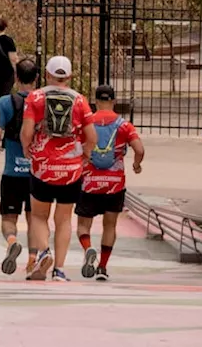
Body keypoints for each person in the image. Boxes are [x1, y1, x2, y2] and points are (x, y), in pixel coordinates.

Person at [20, 55, 96, 282]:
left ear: (46, 75)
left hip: (42, 166)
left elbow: (26, 132)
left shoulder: (35, 97)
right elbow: (92, 136)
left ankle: (44, 252)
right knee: (63, 219)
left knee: (39, 216)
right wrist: (85, 155)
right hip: (71, 168)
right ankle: (60, 270)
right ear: (70, 76)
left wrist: (27, 149)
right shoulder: (80, 100)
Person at [76, 84, 145, 281]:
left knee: (83, 225)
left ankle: (88, 248)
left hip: (89, 182)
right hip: (114, 185)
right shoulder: (124, 125)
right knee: (110, 226)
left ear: (95, 101)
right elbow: (139, 149)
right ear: (113, 101)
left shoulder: (86, 124)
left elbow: (76, 146)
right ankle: (103, 267)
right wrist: (137, 166)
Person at [0, 59, 38, 275]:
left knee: (8, 218)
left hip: (12, 172)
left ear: (16, 77)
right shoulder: (42, 101)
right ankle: (32, 261)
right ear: (36, 78)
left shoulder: (5, 102)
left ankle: (11, 242)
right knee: (35, 218)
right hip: (36, 173)